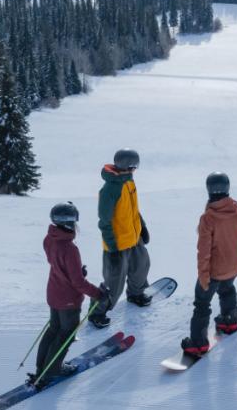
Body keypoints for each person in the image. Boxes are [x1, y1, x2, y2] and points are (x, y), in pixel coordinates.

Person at [182, 172, 237, 357]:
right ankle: (229, 321)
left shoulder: (208, 217)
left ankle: (197, 344)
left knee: (202, 303)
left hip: (215, 270)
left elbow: (204, 251)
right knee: (227, 289)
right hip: (234, 265)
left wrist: (203, 276)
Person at [31, 202, 105, 388]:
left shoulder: (49, 239)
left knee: (53, 330)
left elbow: (58, 265)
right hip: (68, 300)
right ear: (70, 223)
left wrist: (77, 272)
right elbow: (77, 283)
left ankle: (42, 367)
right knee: (66, 334)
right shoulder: (70, 248)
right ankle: (52, 370)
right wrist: (98, 293)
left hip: (54, 292)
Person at [89, 148, 152, 328]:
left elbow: (133, 210)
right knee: (114, 283)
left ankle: (135, 294)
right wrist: (113, 247)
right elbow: (104, 222)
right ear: (126, 166)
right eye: (134, 166)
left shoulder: (129, 182)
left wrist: (142, 226)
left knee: (142, 265)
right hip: (117, 244)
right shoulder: (110, 189)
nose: (135, 170)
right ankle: (97, 312)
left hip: (134, 238)